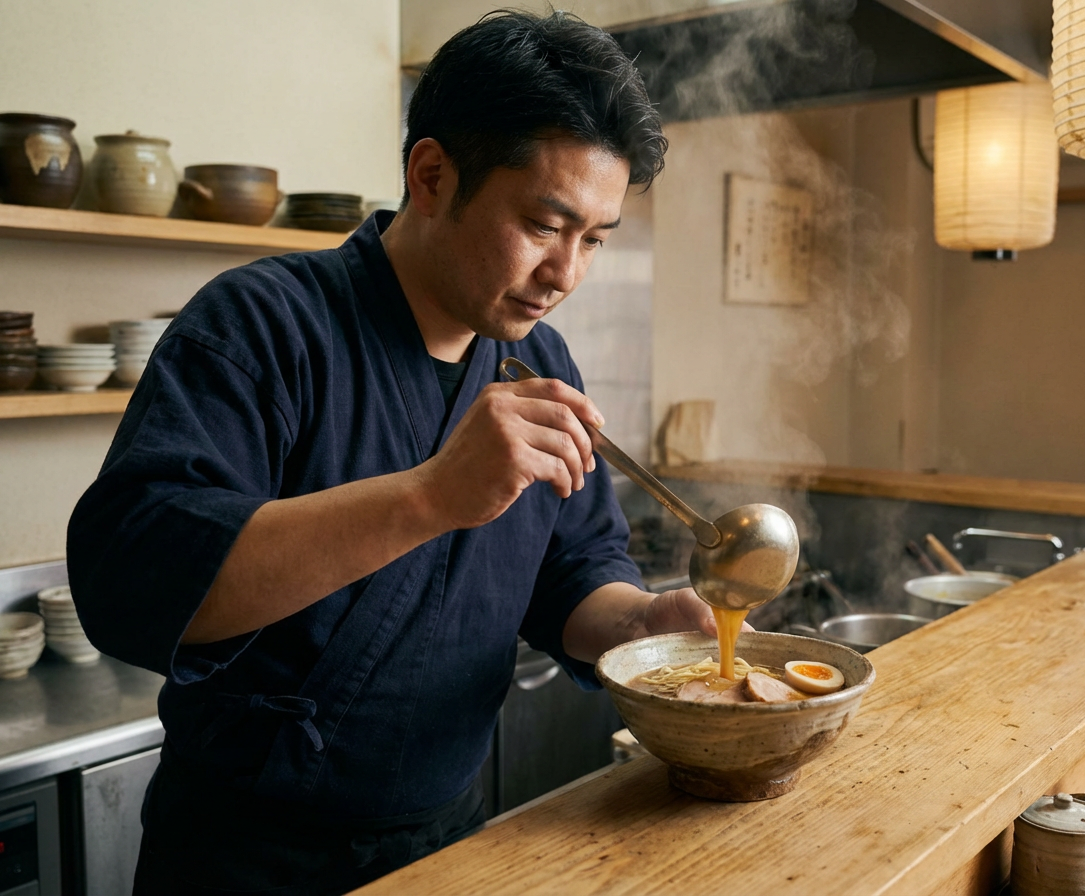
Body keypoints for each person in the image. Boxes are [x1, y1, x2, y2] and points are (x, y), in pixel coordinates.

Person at [66, 10, 728, 896]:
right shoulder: (261, 326)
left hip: (448, 845)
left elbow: (573, 569)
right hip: (243, 859)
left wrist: (636, 626)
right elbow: (136, 574)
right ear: (430, 174)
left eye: (594, 239)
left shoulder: (539, 359)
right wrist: (430, 495)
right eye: (544, 223)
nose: (567, 273)